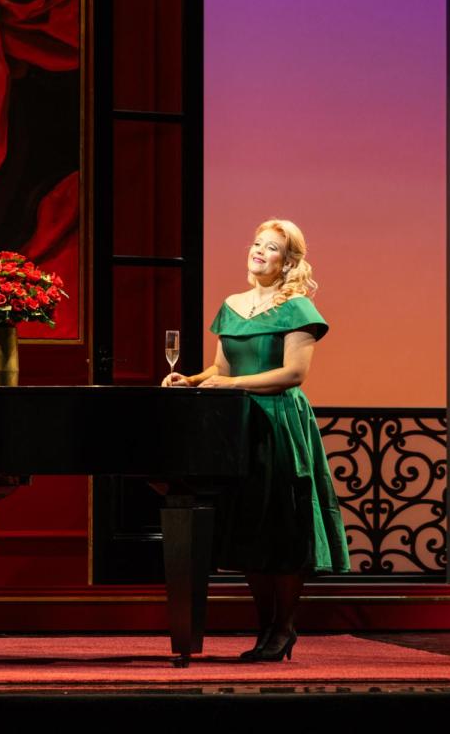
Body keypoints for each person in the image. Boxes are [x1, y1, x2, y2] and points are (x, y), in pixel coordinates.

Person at [163, 219, 349, 661]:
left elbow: (293, 374)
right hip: (240, 426)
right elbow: (221, 371)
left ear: (287, 261)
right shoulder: (232, 305)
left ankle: (283, 628)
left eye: (271, 247)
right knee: (252, 527)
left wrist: (229, 387)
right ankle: (264, 627)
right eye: (256, 243)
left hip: (280, 423)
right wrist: (190, 380)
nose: (259, 251)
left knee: (283, 528)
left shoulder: (299, 307)